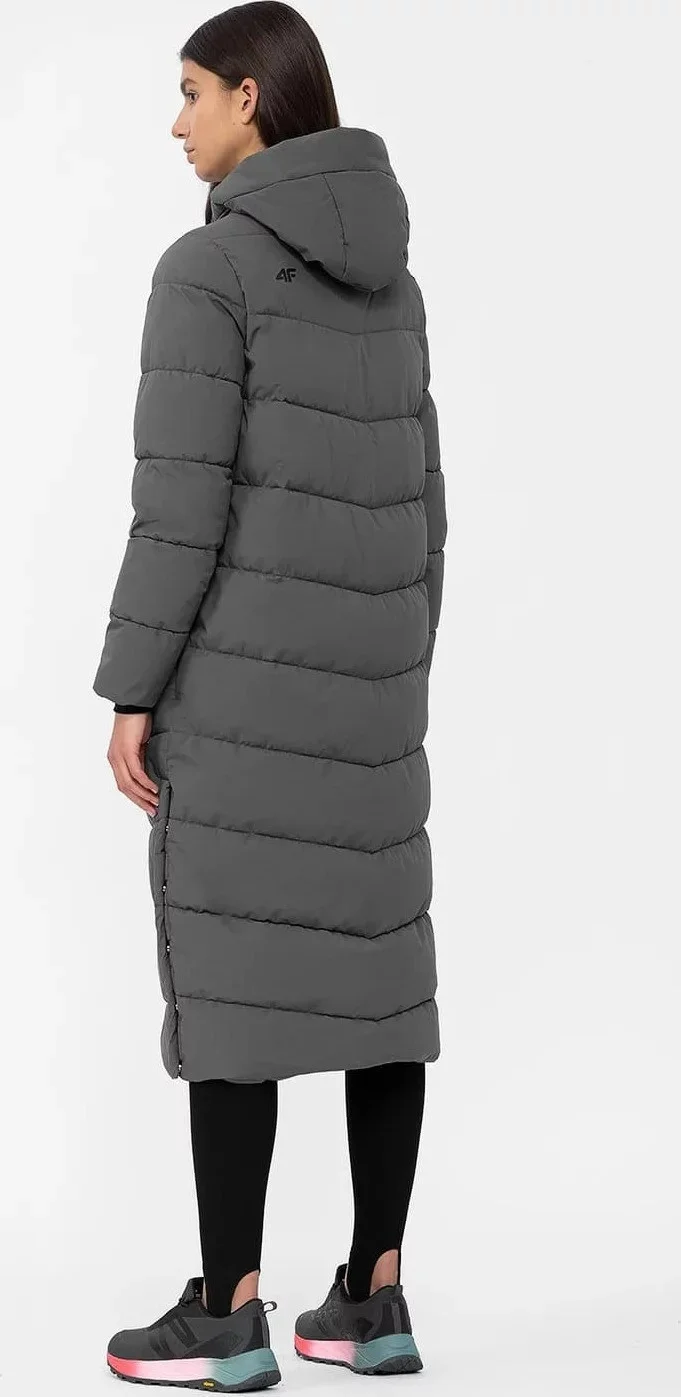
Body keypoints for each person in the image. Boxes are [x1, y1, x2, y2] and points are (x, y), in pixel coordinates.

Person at [93, 2, 447, 1389]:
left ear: (250, 96)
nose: (176, 123)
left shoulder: (209, 269)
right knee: (378, 975)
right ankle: (376, 1297)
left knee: (236, 971)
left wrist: (132, 687)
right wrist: (396, 660)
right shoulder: (396, 286)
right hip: (375, 697)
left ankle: (230, 1311)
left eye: (190, 92)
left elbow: (177, 511)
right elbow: (428, 507)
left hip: (238, 692)